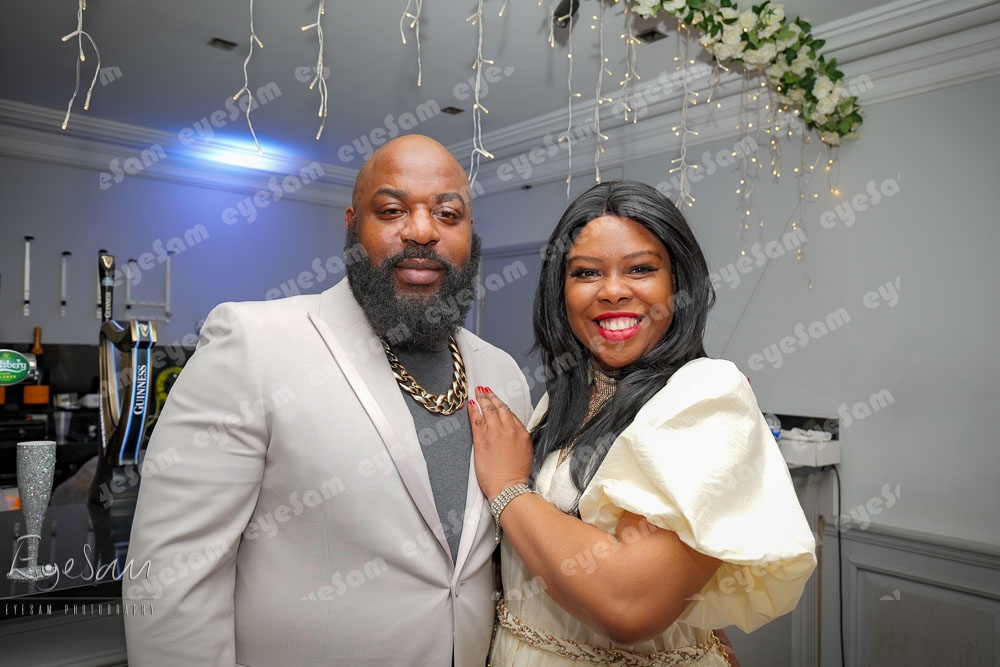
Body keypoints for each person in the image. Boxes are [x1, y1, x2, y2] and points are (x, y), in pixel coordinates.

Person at [123, 134, 532, 666]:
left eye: (447, 214)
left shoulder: (502, 374)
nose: (422, 231)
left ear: (470, 233)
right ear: (352, 225)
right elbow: (172, 575)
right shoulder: (254, 343)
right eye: (392, 210)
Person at [468, 180, 817, 666]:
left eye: (640, 268)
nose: (613, 290)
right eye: (587, 272)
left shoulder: (705, 394)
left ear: (678, 284)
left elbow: (630, 604)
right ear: (560, 291)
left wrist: (508, 487)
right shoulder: (561, 397)